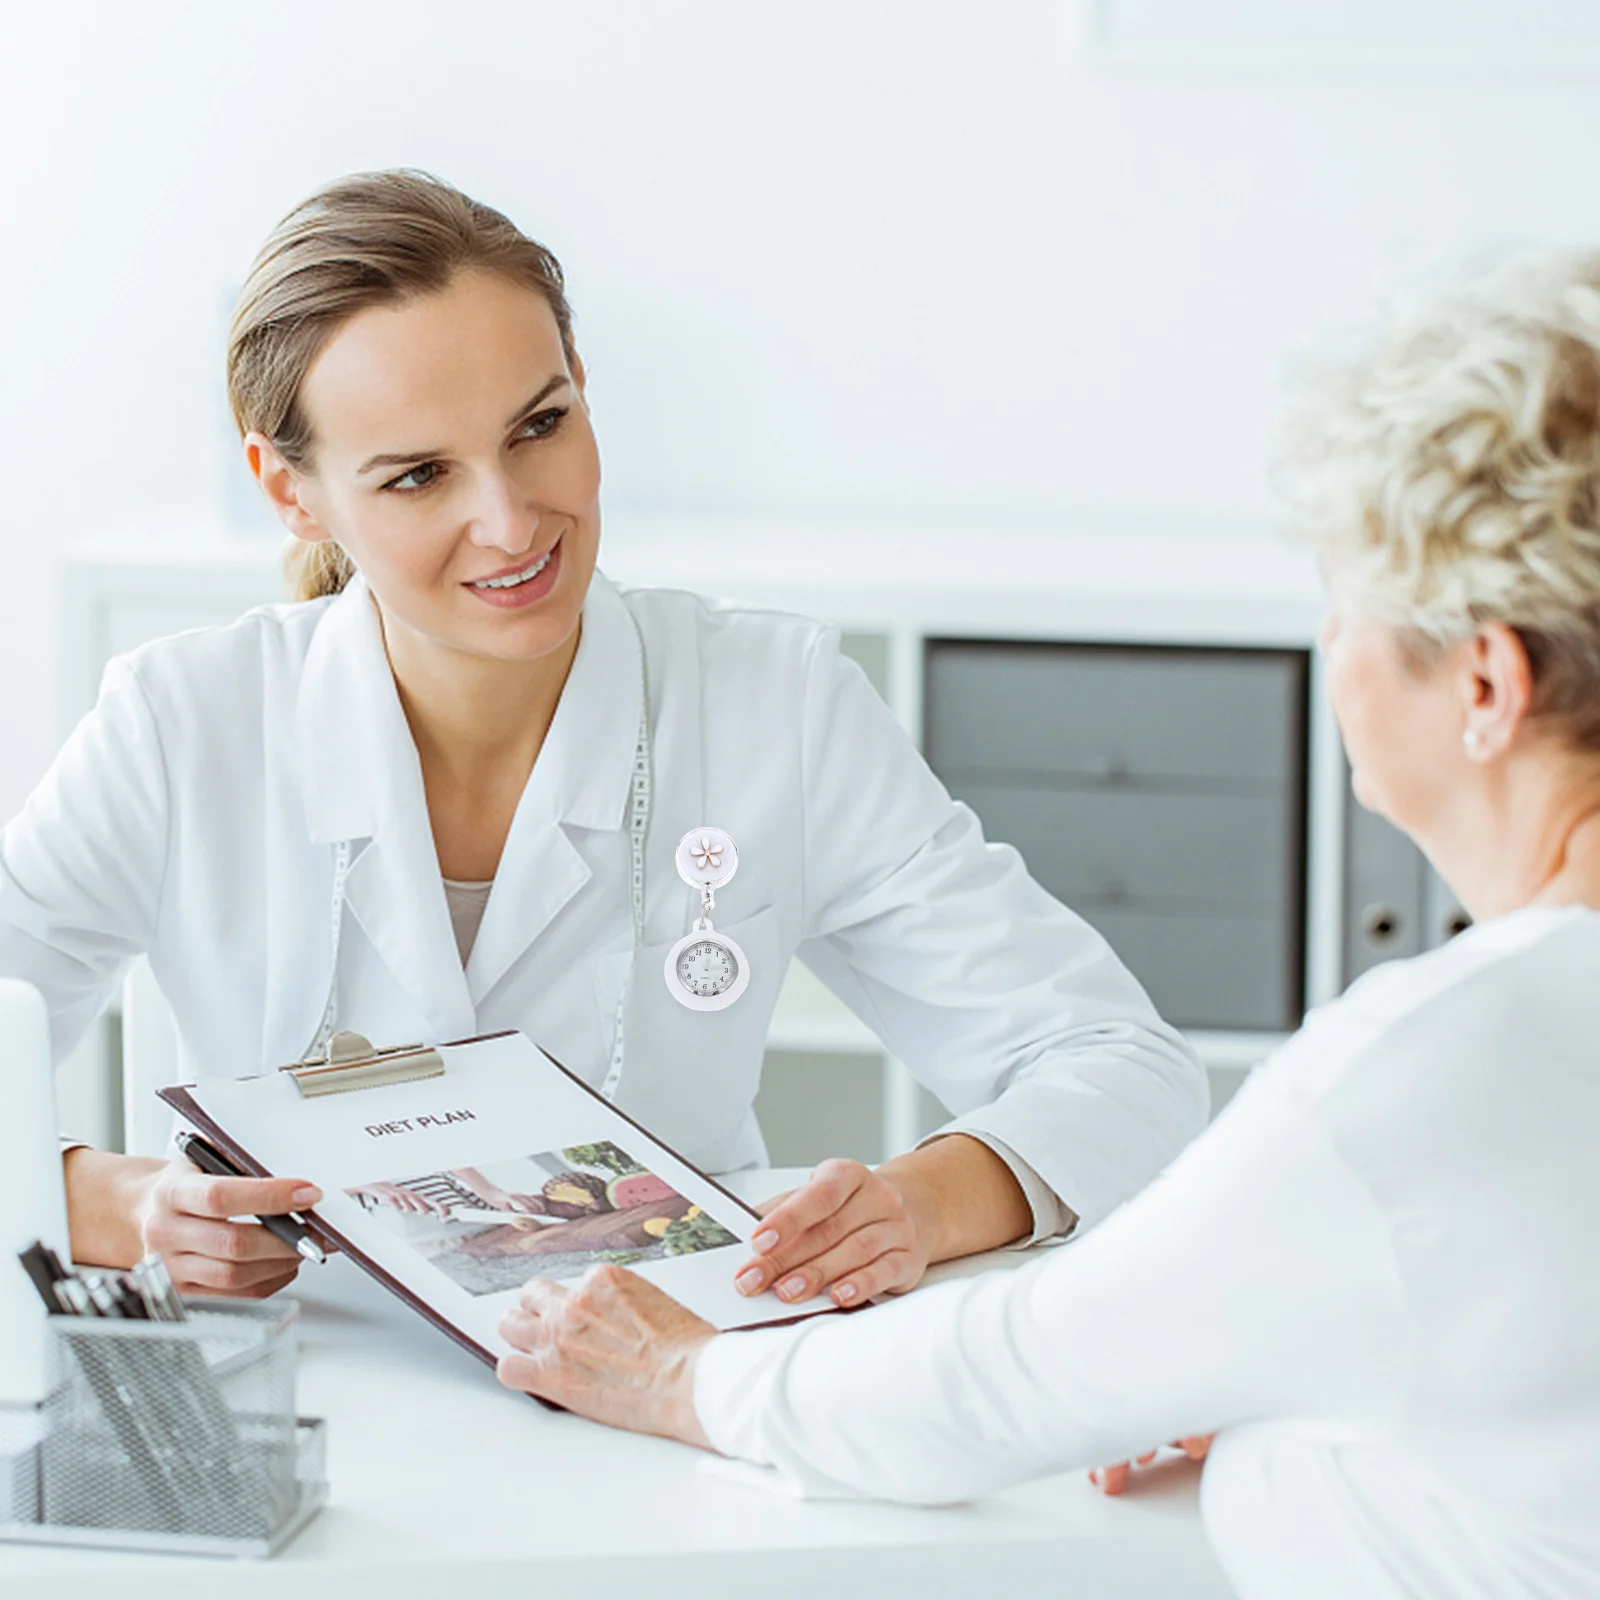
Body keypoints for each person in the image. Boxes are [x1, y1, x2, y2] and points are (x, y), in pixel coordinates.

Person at [494, 255, 1600, 1599]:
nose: (1333, 645)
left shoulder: (1433, 1073)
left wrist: (683, 1371)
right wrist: (1265, 1367)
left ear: (1484, 680)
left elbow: (991, 1383)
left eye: (1346, 596)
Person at [0, 170, 1205, 1304]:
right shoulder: (180, 724)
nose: (511, 521)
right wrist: (116, 1204)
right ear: (292, 491)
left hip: (667, 1378)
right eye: (418, 476)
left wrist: (921, 1205)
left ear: (578, 377)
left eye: (539, 425)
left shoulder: (768, 703)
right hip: (300, 1396)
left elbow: (1121, 1064)